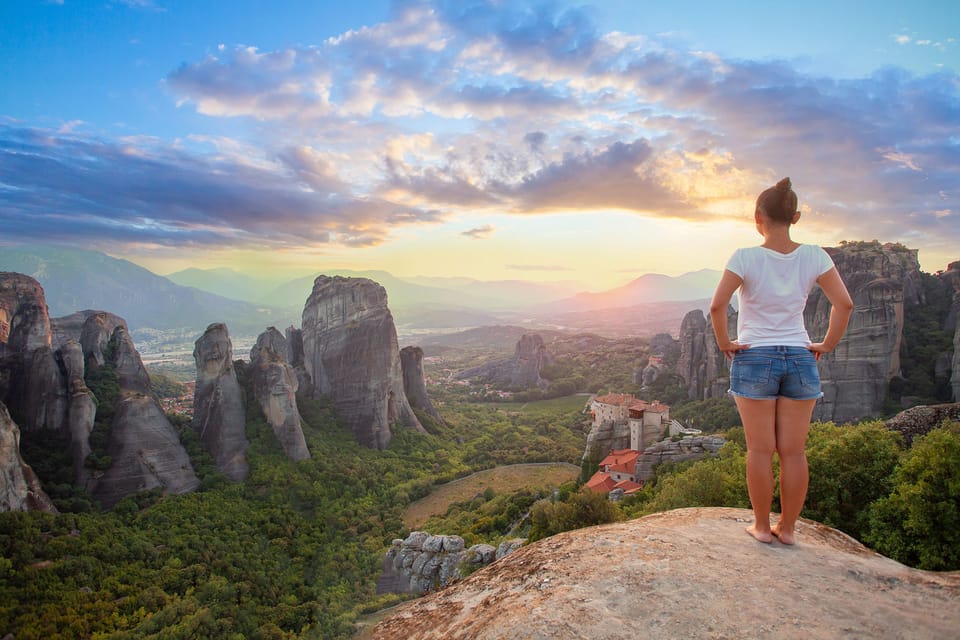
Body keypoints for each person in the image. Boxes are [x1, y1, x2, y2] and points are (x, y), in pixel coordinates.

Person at [709, 177, 853, 545]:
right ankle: (787, 530)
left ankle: (761, 526)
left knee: (759, 449)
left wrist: (727, 342)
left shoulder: (745, 256)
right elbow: (844, 304)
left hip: (754, 356)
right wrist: (826, 344)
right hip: (801, 357)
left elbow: (717, 305)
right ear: (797, 216)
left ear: (758, 217)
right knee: (794, 451)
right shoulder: (815, 255)